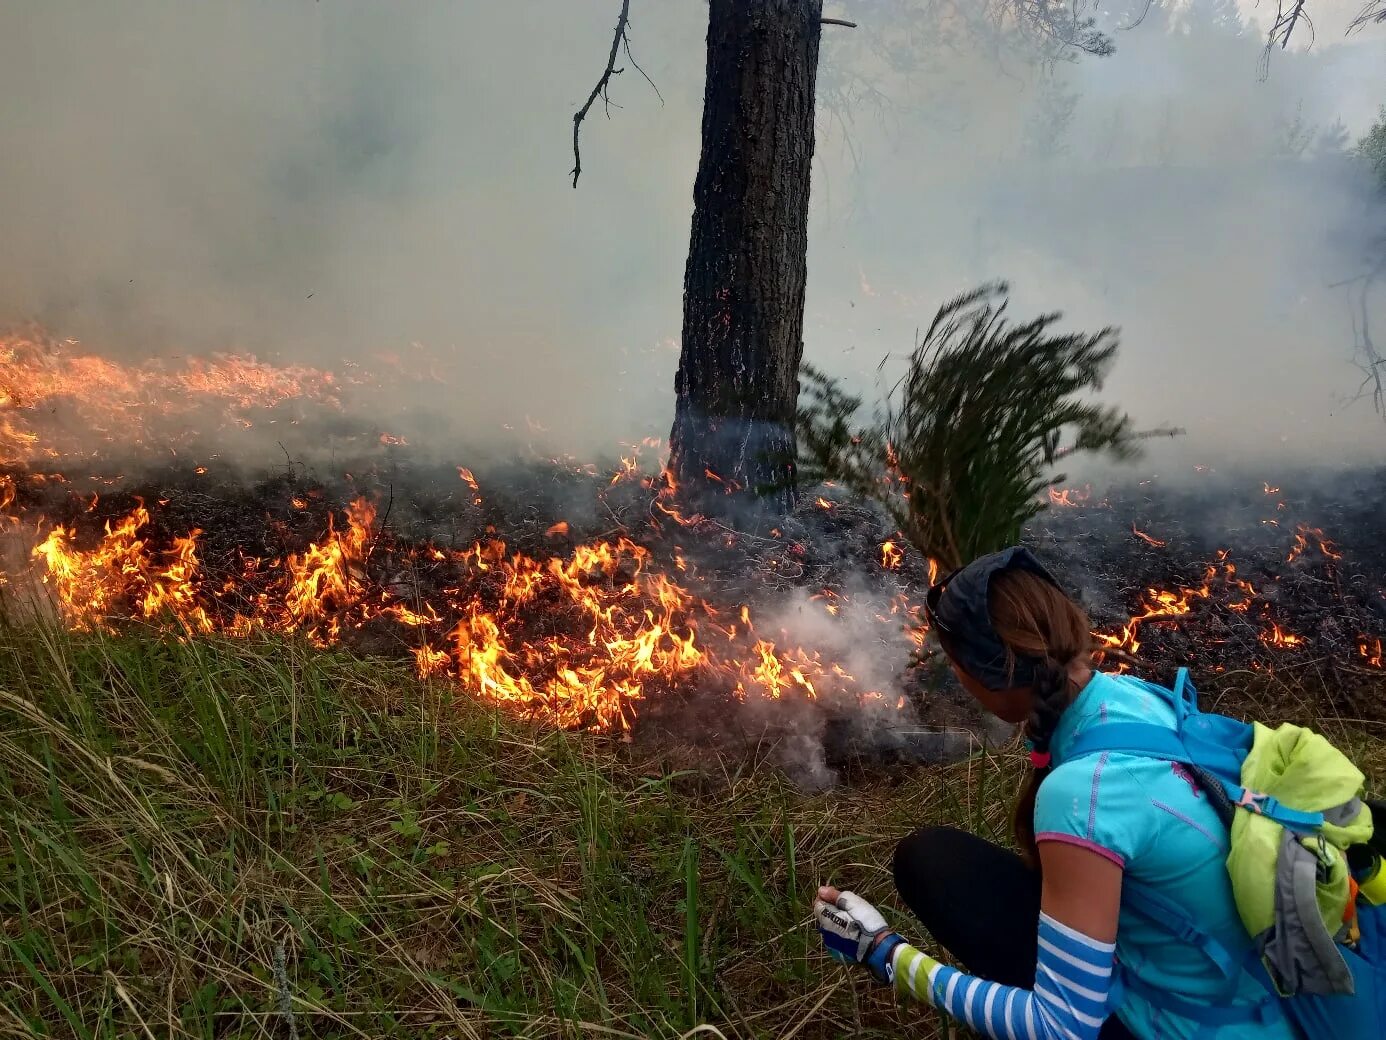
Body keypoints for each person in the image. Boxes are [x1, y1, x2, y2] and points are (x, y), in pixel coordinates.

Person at [812, 546, 1385, 1039]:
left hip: (1224, 1022)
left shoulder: (1081, 795)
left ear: (978, 674)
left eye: (955, 665)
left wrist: (886, 954)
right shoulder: (1133, 695)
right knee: (936, 857)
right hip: (1284, 982)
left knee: (935, 866)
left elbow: (1061, 1026)